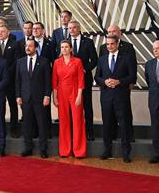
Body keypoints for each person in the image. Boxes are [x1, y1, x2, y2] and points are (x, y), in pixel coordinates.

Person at [95, 35, 136, 163]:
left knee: (124, 125)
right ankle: (107, 151)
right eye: (107, 44)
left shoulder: (127, 58)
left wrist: (119, 81)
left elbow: (132, 77)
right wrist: (104, 81)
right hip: (106, 97)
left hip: (121, 97)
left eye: (112, 44)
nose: (109, 46)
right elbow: (97, 77)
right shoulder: (102, 59)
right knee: (107, 125)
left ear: (117, 44)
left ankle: (126, 153)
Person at [16, 38, 52, 158]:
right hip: (25, 98)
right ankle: (28, 148)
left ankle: (43, 149)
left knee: (42, 125)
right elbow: (18, 81)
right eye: (26, 46)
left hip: (40, 99)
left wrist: (47, 95)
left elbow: (48, 81)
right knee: (27, 125)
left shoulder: (44, 61)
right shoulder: (20, 62)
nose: (27, 48)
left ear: (35, 47)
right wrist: (18, 96)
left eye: (30, 46)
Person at [52, 40, 86, 158]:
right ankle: (65, 150)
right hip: (61, 92)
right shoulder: (57, 62)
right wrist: (54, 97)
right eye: (62, 47)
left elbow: (81, 80)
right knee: (64, 122)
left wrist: (79, 96)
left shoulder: (77, 61)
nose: (64, 49)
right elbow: (54, 81)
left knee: (77, 121)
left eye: (66, 47)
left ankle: (79, 151)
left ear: (71, 49)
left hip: (75, 91)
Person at [69, 20, 98, 141]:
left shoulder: (88, 42)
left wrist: (85, 70)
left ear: (79, 28)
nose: (72, 30)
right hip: (70, 81)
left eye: (74, 27)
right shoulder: (65, 43)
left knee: (87, 105)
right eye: (70, 28)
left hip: (85, 79)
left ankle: (89, 131)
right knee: (72, 106)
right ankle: (73, 131)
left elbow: (94, 60)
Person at [33, 21, 56, 137]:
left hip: (46, 79)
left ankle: (47, 131)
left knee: (45, 106)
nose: (35, 30)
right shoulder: (29, 44)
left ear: (42, 31)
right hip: (32, 80)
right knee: (34, 107)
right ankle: (35, 131)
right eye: (34, 29)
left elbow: (54, 62)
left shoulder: (50, 44)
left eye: (37, 28)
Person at [0, 25, 19, 137]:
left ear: (8, 32)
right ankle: (0, 130)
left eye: (2, 31)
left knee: (12, 105)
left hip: (10, 80)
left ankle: (14, 128)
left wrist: (6, 73)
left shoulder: (15, 44)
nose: (0, 33)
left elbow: (16, 62)